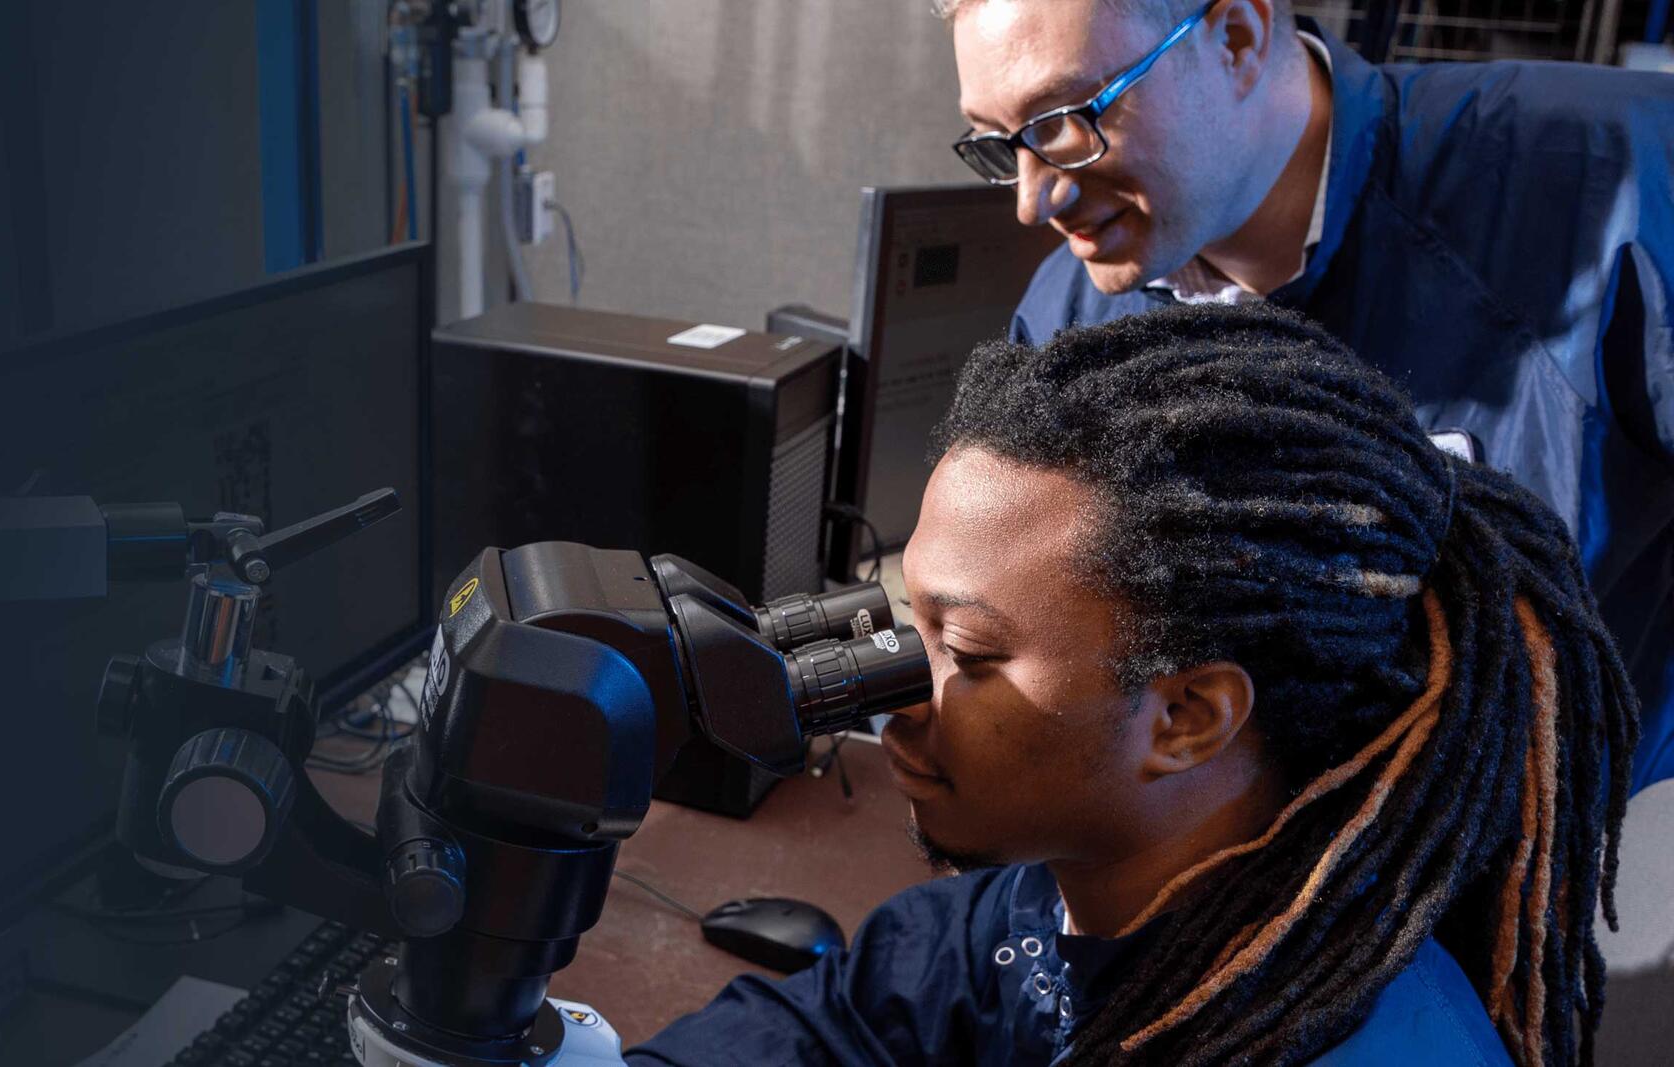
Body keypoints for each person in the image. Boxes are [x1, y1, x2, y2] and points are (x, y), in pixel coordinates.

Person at [625, 304, 1639, 1065]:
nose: (897, 696)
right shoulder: (1070, 888)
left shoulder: (1338, 1030)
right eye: (909, 620)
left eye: (967, 654)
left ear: (1188, 717)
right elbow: (850, 1016)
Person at [937, 0, 1673, 791]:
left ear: (1239, 38)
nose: (1032, 199)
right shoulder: (1066, 327)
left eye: (1068, 118)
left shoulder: (1610, 184)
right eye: (1001, 140)